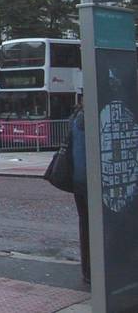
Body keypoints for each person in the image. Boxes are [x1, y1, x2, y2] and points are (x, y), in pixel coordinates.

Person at [70, 94, 89, 284]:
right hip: (89, 179)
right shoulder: (89, 119)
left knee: (85, 224)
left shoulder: (74, 118)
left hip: (78, 179)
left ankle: (87, 270)